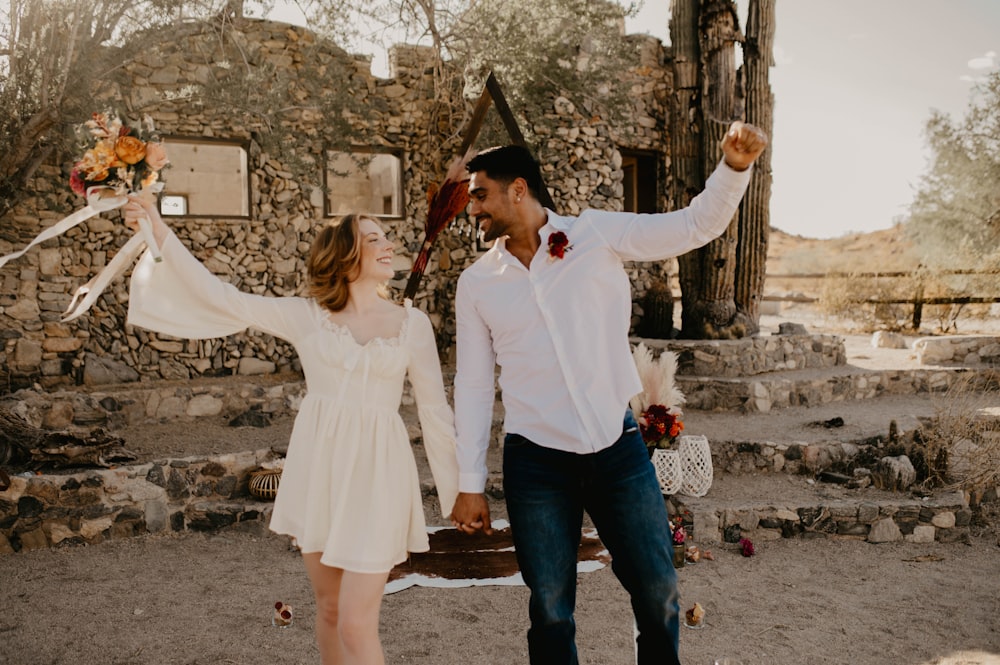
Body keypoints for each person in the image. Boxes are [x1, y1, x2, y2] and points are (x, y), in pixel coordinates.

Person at [450, 120, 768, 664]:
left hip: (616, 449)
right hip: (536, 463)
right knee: (550, 607)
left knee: (659, 590)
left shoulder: (594, 235)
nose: (471, 208)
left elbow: (693, 225)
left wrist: (734, 169)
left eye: (479, 194)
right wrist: (469, 484)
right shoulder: (477, 284)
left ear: (518, 189)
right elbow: (475, 385)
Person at [122, 197, 459, 665]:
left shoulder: (412, 324)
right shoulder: (306, 315)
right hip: (320, 471)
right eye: (373, 238)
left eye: (387, 236)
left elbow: (435, 411)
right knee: (329, 608)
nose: (389, 244)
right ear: (344, 255)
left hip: (379, 476)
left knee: (359, 624)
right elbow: (222, 297)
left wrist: (460, 492)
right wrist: (156, 227)